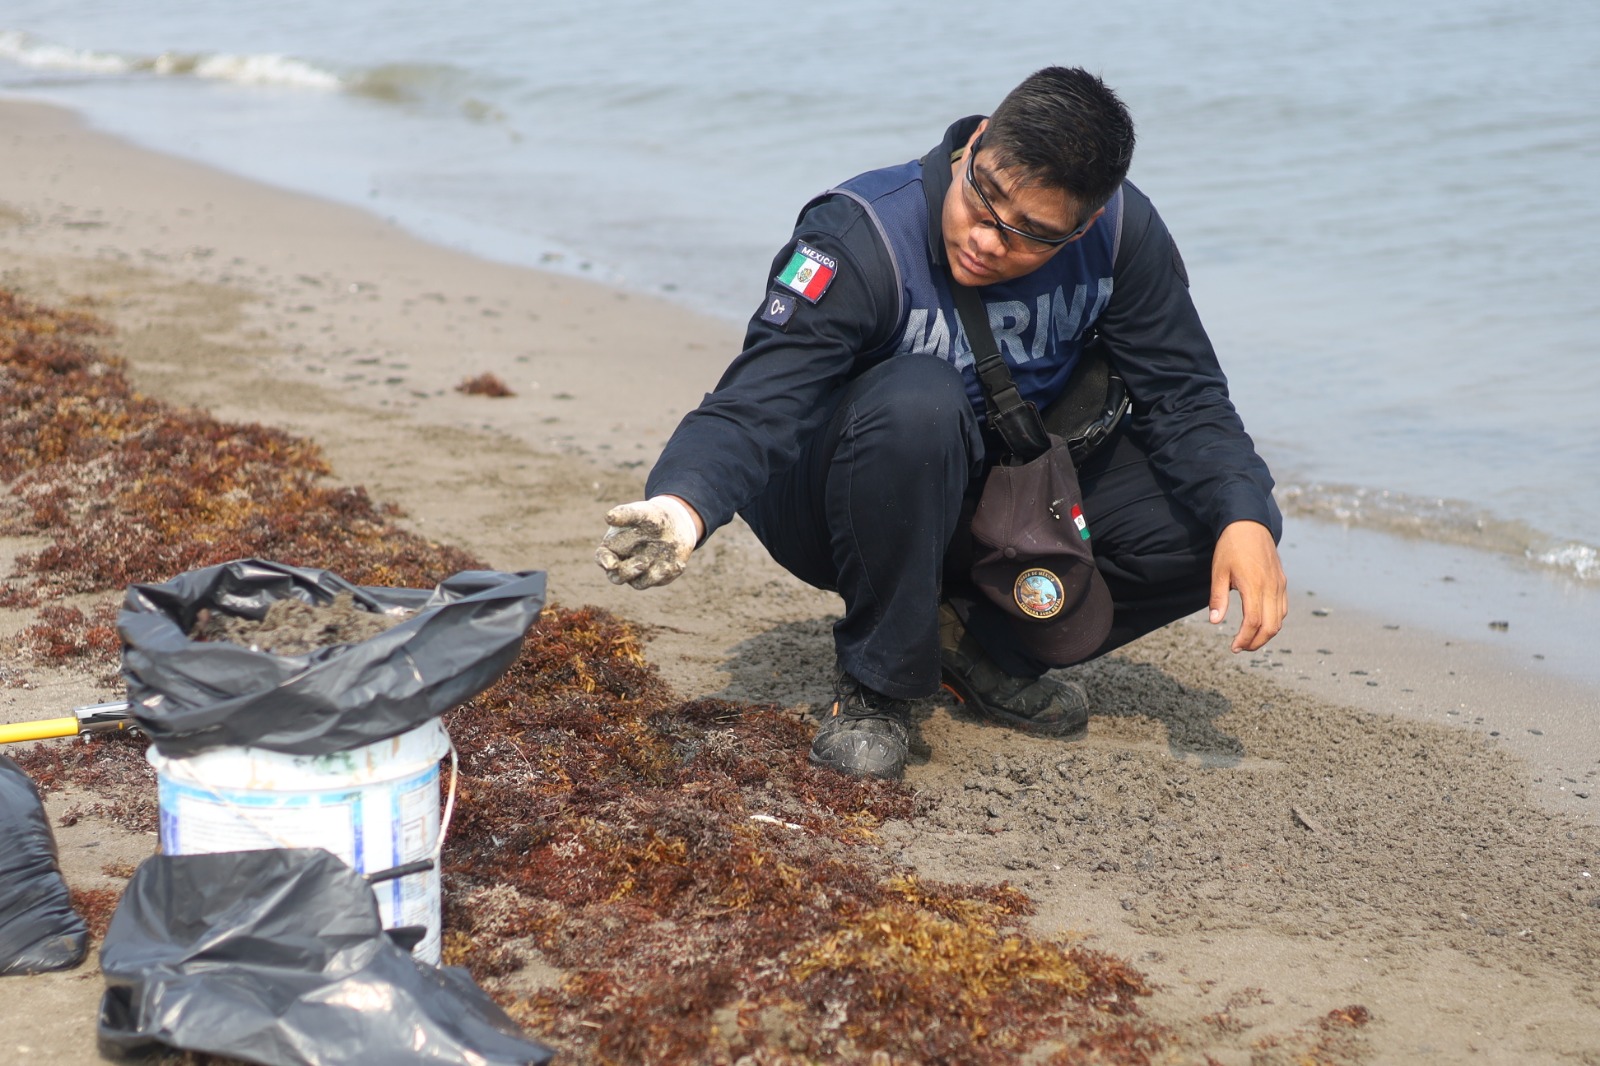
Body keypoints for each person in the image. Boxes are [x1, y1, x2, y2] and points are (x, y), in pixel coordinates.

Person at [596, 66, 1286, 780]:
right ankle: (876, 688)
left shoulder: (1118, 237)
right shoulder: (861, 235)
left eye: (1028, 234)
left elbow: (1186, 394)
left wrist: (1245, 518)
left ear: (1080, 226)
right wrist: (683, 505)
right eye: (984, 199)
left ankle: (976, 645)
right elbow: (761, 397)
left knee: (1222, 514)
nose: (988, 240)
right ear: (977, 142)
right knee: (918, 401)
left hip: (999, 497)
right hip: (845, 491)